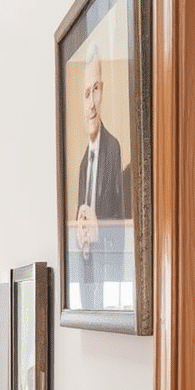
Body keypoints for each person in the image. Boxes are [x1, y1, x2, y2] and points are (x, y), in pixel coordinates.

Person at [72, 47, 127, 307]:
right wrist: (80, 235)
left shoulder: (113, 149)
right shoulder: (83, 164)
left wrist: (98, 230)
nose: (91, 102)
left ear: (102, 91)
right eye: (86, 94)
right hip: (87, 279)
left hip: (110, 281)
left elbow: (123, 224)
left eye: (95, 89)